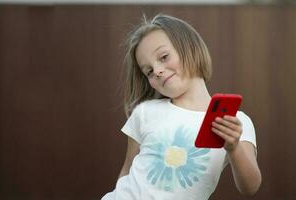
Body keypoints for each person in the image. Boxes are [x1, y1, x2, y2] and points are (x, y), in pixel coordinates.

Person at [101, 14, 261, 200]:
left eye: (163, 57)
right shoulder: (145, 113)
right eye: (149, 71)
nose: (157, 71)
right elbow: (127, 173)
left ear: (190, 47)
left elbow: (251, 187)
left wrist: (233, 148)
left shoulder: (236, 121)